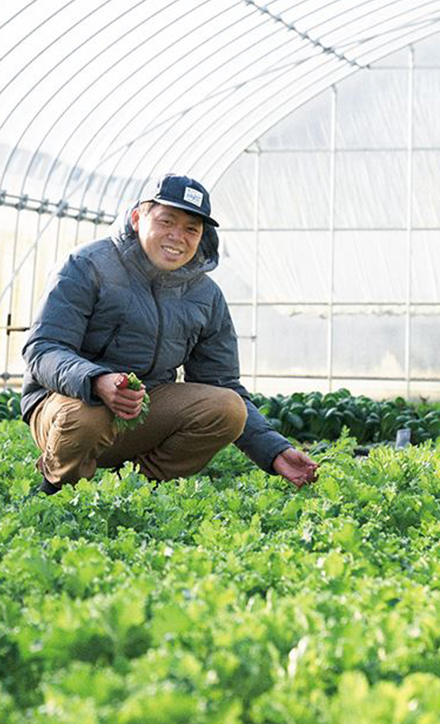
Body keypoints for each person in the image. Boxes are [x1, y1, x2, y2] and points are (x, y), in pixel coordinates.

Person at [21, 173, 318, 493]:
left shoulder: (206, 296)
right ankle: (60, 489)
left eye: (191, 228)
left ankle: (136, 488)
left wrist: (273, 451)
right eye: (167, 221)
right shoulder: (86, 265)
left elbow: (222, 382)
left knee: (228, 407)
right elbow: (44, 348)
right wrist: (96, 381)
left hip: (144, 407)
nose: (178, 236)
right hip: (67, 405)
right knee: (89, 414)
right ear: (137, 218)